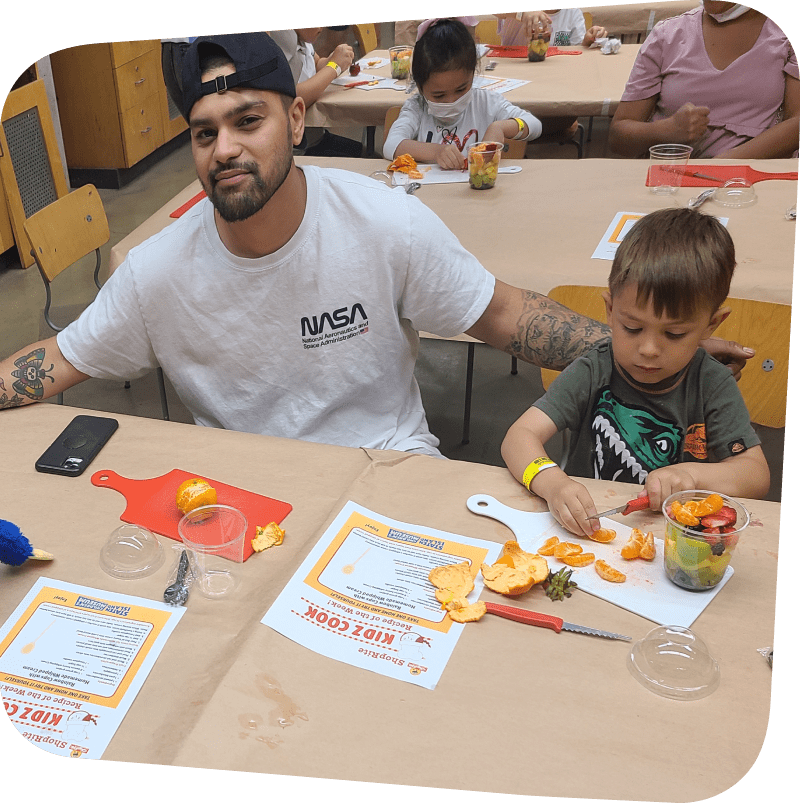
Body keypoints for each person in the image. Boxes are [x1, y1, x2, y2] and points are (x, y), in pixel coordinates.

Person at [0, 33, 752, 459]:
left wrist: (646, 353)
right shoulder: (157, 272)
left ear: (297, 118)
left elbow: (502, 315)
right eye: (204, 133)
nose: (224, 148)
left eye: (247, 120)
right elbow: (58, 361)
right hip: (247, 499)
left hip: (391, 473)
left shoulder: (383, 222)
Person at [501, 208, 770, 538]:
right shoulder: (595, 368)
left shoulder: (710, 383)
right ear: (611, 310)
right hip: (590, 530)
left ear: (711, 325)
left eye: (674, 334)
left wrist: (692, 476)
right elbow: (519, 437)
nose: (649, 349)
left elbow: (755, 474)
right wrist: (552, 483)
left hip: (674, 543)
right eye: (632, 327)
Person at [609, 2, 800, 159]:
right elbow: (618, 137)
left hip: (751, 181)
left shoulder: (785, 35)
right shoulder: (667, 35)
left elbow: (796, 123)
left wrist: (728, 162)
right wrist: (665, 130)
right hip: (672, 179)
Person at [382, 18, 542, 168]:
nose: (452, 100)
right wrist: (436, 152)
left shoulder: (486, 103)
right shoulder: (417, 108)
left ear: (473, 75)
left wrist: (501, 127)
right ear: (420, 87)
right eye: (439, 96)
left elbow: (533, 124)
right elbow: (391, 145)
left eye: (461, 89)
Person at [267, 27, 362, 157]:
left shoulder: (304, 40)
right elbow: (292, 96)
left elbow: (317, 64)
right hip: (299, 149)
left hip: (316, 136)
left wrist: (333, 60)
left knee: (361, 150)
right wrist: (334, 67)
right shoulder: (283, 43)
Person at [494, 10, 606, 47]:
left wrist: (587, 41)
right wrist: (520, 14)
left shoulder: (573, 12)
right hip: (516, 71)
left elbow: (576, 51)